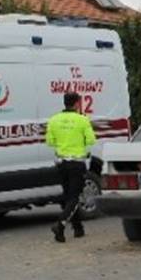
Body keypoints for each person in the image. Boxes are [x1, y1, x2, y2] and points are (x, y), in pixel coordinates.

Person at [45, 92, 96, 242]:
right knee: (74, 197)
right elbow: (91, 140)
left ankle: (78, 228)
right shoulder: (82, 120)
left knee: (68, 196)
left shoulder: (54, 120)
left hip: (62, 163)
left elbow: (49, 141)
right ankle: (60, 225)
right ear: (77, 104)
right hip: (77, 163)